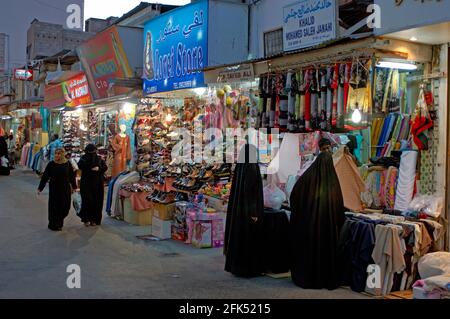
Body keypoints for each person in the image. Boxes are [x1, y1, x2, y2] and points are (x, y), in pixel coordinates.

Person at [289, 148, 346, 290]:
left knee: (308, 251)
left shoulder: (307, 178)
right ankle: (324, 278)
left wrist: (303, 213)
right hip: (327, 230)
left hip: (308, 227)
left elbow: (294, 196)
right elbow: (339, 208)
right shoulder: (333, 183)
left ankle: (308, 276)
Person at [224, 144, 264, 277]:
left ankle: (237, 267)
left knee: (239, 238)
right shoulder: (251, 167)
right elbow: (251, 192)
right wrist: (254, 212)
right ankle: (247, 269)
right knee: (248, 239)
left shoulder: (240, 167)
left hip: (239, 211)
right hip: (248, 211)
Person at [37, 148, 77, 231]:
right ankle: (54, 224)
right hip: (54, 189)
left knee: (65, 207)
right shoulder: (51, 164)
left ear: (62, 154)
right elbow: (45, 177)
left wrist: (74, 187)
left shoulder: (67, 164)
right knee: (54, 207)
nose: (57, 155)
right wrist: (40, 188)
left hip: (65, 189)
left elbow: (72, 177)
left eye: (59, 154)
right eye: (56, 153)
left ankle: (59, 221)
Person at [78, 144, 107, 227]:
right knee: (91, 201)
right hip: (93, 183)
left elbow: (105, 167)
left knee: (90, 201)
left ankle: (90, 220)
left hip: (91, 183)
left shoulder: (86, 158)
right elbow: (81, 166)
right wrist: (94, 169)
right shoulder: (86, 158)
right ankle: (90, 219)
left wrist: (98, 169)